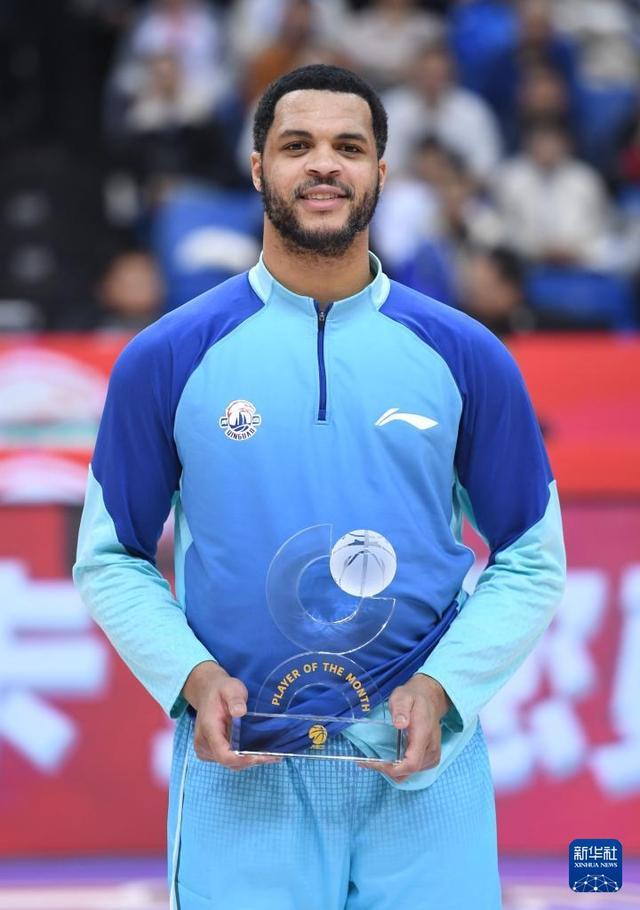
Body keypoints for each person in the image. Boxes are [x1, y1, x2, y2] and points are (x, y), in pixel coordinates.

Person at [73, 64, 566, 910]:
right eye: (297, 145)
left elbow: (532, 556)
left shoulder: (466, 355)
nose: (324, 164)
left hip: (423, 778)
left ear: (382, 171)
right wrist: (192, 676)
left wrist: (445, 688)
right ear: (258, 168)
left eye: (349, 146)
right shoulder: (168, 357)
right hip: (243, 779)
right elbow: (111, 556)